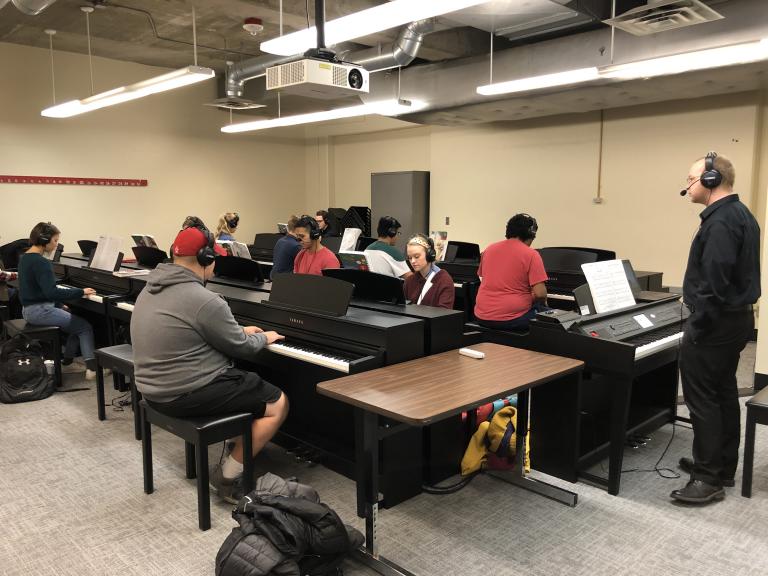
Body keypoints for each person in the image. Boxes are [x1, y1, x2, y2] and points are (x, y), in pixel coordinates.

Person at [131, 225, 289, 503]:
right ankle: (227, 478)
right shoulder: (204, 299)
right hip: (185, 392)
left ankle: (238, 445)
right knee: (277, 402)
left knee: (247, 384)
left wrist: (239, 331)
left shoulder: (150, 288)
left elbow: (197, 331)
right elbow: (241, 348)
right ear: (206, 259)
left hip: (153, 390)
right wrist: (264, 337)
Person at [670, 152, 760, 505]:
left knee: (702, 398)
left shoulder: (722, 222)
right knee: (722, 392)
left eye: (691, 178)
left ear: (710, 180)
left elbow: (714, 281)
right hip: (735, 320)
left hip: (716, 322)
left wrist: (698, 324)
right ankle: (721, 467)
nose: (687, 185)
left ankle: (707, 477)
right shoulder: (740, 215)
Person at [18, 222, 100, 379]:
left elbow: (37, 290)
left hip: (29, 310)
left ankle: (68, 361)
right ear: (44, 240)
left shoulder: (25, 258)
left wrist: (58, 304)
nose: (57, 245)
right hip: (41, 311)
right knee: (84, 327)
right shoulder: (42, 262)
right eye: (55, 240)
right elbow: (51, 291)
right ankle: (92, 370)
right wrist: (80, 291)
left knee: (75, 323)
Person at [473, 213, 548, 331]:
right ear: (531, 234)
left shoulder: (489, 249)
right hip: (513, 319)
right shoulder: (531, 254)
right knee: (553, 317)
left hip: (481, 315)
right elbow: (541, 294)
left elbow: (484, 278)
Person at [404, 234, 455, 308]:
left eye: (417, 256)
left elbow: (444, 315)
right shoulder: (409, 281)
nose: (413, 261)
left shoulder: (444, 280)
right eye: (410, 257)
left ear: (429, 255)